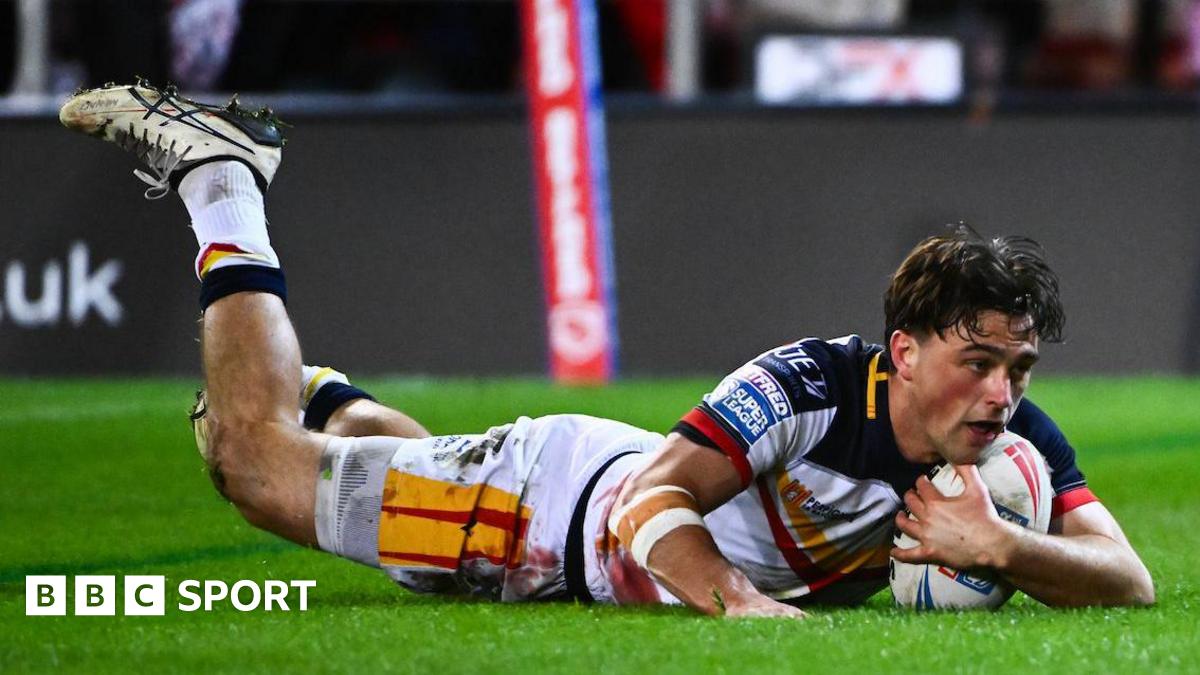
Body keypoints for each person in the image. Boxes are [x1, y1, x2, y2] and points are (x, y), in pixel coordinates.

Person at [60, 83, 1154, 616]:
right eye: (981, 360)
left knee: (379, 475)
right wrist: (740, 606)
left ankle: (332, 396)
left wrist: (1008, 550)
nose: (1005, 392)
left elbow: (1129, 582)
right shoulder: (810, 388)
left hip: (570, 526)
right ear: (905, 351)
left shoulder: (1012, 437)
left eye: (1021, 368)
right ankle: (224, 179)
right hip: (548, 514)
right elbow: (647, 506)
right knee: (252, 466)